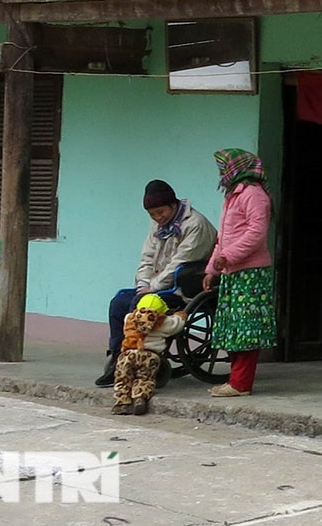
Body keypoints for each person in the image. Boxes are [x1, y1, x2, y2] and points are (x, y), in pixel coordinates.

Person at [98, 180, 216, 387]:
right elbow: (147, 257)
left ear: (173, 205)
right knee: (118, 302)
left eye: (160, 212)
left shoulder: (195, 225)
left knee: (140, 304)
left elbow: (180, 264)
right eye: (152, 215)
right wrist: (143, 283)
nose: (157, 218)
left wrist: (151, 288)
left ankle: (139, 359)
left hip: (186, 287)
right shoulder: (159, 224)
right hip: (161, 284)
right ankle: (120, 357)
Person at [203, 148, 275, 398]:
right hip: (234, 271)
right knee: (234, 327)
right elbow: (224, 237)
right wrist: (213, 267)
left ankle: (241, 383)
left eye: (224, 168)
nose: (222, 174)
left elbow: (256, 233)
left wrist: (229, 256)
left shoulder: (253, 195)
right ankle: (236, 380)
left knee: (246, 328)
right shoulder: (232, 196)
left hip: (250, 272)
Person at [109, 292, 183, 416]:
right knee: (144, 379)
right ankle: (140, 399)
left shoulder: (129, 318)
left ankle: (121, 403)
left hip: (127, 354)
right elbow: (177, 324)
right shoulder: (164, 322)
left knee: (123, 378)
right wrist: (180, 315)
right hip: (149, 356)